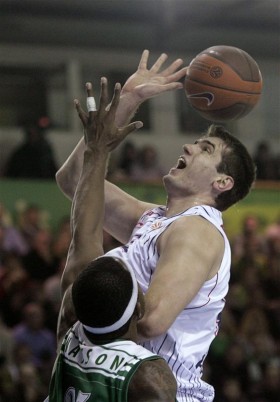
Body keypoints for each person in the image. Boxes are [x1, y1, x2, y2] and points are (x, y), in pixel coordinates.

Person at [56, 50, 256, 402]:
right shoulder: (154, 219)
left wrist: (92, 293)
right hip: (117, 382)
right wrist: (129, 99)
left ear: (222, 183)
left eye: (204, 149)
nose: (188, 147)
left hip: (162, 392)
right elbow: (75, 181)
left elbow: (152, 322)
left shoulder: (197, 231)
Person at [46, 79, 177, 402]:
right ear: (139, 310)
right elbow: (85, 238)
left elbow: (85, 233)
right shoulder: (149, 379)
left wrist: (96, 148)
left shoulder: (70, 333)